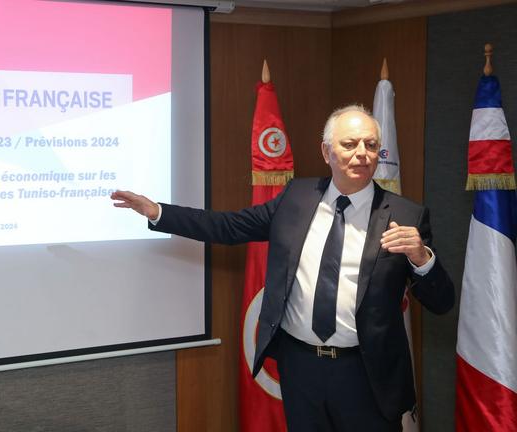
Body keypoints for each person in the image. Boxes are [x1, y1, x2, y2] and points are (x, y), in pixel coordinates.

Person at [111, 105, 454, 432]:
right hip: (301, 367)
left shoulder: (406, 215)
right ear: (326, 152)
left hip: (367, 374)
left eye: (371, 145)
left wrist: (422, 259)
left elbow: (441, 302)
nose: (362, 153)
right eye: (350, 144)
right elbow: (228, 227)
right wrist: (159, 213)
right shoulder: (296, 197)